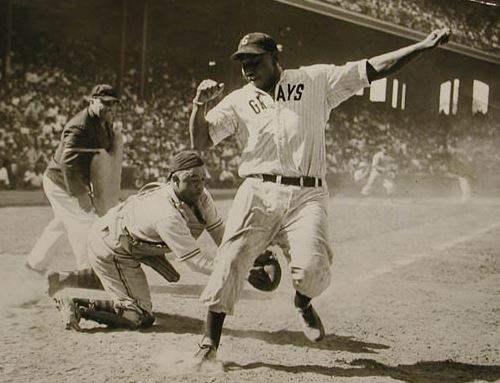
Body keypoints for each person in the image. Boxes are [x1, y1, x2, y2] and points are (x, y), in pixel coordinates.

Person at [189, 28, 450, 363]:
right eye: (243, 62)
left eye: (255, 60)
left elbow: (371, 69)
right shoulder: (238, 99)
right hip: (257, 190)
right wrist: (199, 104)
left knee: (312, 270)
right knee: (231, 257)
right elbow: (201, 142)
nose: (247, 68)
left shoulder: (315, 80)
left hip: (306, 194)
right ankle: (209, 343)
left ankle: (302, 302)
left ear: (275, 58)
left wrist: (423, 46)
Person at [49, 151, 281, 330]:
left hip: (130, 239)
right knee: (139, 315)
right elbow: (195, 262)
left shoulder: (201, 196)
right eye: (191, 180)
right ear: (174, 180)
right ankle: (76, 304)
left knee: (118, 282)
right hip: (112, 245)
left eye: (202, 179)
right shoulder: (166, 213)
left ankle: (66, 278)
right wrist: (241, 270)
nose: (199, 186)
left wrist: (246, 256)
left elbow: (219, 231)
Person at [24, 84, 122, 274]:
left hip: (69, 179)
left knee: (61, 223)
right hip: (60, 181)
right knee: (84, 221)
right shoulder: (80, 126)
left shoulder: (105, 121)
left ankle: (35, 264)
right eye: (104, 103)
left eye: (113, 104)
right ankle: (88, 271)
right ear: (92, 101)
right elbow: (68, 164)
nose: (109, 108)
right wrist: (81, 195)